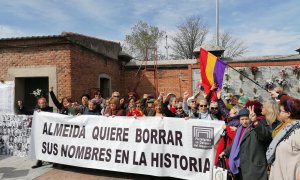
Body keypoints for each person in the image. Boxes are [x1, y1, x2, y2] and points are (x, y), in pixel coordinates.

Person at [221, 108, 269, 180]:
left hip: (253, 167)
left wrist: (255, 122)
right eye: (242, 119)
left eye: (246, 119)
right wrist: (225, 152)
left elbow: (265, 136)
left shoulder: (255, 127)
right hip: (240, 167)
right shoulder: (239, 129)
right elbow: (235, 144)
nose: (244, 122)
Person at [266, 98, 300, 180]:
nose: (278, 113)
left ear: (288, 113)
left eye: (281, 111)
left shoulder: (297, 131)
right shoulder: (285, 128)